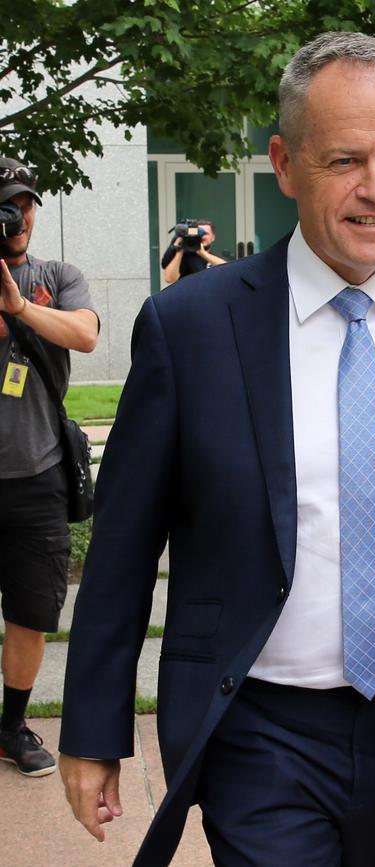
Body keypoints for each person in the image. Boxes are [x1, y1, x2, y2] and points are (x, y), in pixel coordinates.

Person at [59, 32, 375, 867]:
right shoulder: (191, 329)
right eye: (344, 161)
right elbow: (121, 548)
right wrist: (92, 727)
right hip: (259, 732)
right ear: (285, 163)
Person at [0, 158, 98, 777]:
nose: (19, 217)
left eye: (26, 204)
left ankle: (11, 726)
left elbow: (85, 335)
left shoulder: (58, 275)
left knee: (32, 612)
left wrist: (20, 308)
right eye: (7, 205)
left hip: (36, 476)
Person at [161, 219, 225, 284]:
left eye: (205, 234)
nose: (201, 236)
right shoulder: (184, 257)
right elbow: (169, 279)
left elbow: (226, 269)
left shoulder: (215, 258)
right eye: (198, 233)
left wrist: (202, 253)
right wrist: (180, 250)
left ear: (213, 237)